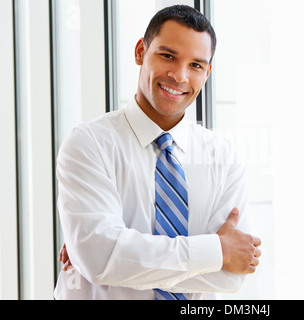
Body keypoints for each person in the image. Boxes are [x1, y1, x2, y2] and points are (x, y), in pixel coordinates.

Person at [53, 5, 261, 300]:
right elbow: (101, 259)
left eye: (196, 65)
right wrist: (216, 250)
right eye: (168, 56)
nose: (179, 76)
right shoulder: (88, 144)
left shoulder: (223, 158)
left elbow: (230, 276)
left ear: (208, 72)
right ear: (140, 51)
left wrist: (121, 264)